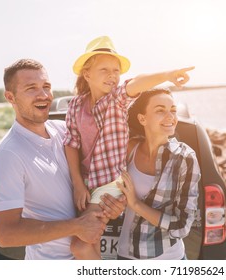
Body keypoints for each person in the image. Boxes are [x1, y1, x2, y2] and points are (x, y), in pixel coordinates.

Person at [64, 35, 195, 259]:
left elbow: (135, 83)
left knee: (81, 247)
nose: (112, 76)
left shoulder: (116, 100)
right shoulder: (76, 105)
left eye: (116, 71)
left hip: (110, 184)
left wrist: (167, 75)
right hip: (84, 186)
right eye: (104, 70)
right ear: (87, 74)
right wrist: (77, 183)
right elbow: (71, 143)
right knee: (89, 246)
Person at [0, 58, 124, 260]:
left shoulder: (63, 131)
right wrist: (77, 227)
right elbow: (6, 234)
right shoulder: (8, 155)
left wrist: (112, 206)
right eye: (31, 88)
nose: (43, 95)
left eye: (46, 86)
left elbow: (96, 174)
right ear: (10, 97)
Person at [116, 88, 201, 260]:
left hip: (168, 259)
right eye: (160, 110)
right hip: (126, 256)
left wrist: (135, 204)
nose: (170, 117)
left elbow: (182, 226)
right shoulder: (130, 149)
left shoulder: (185, 158)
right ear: (142, 118)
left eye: (173, 110)